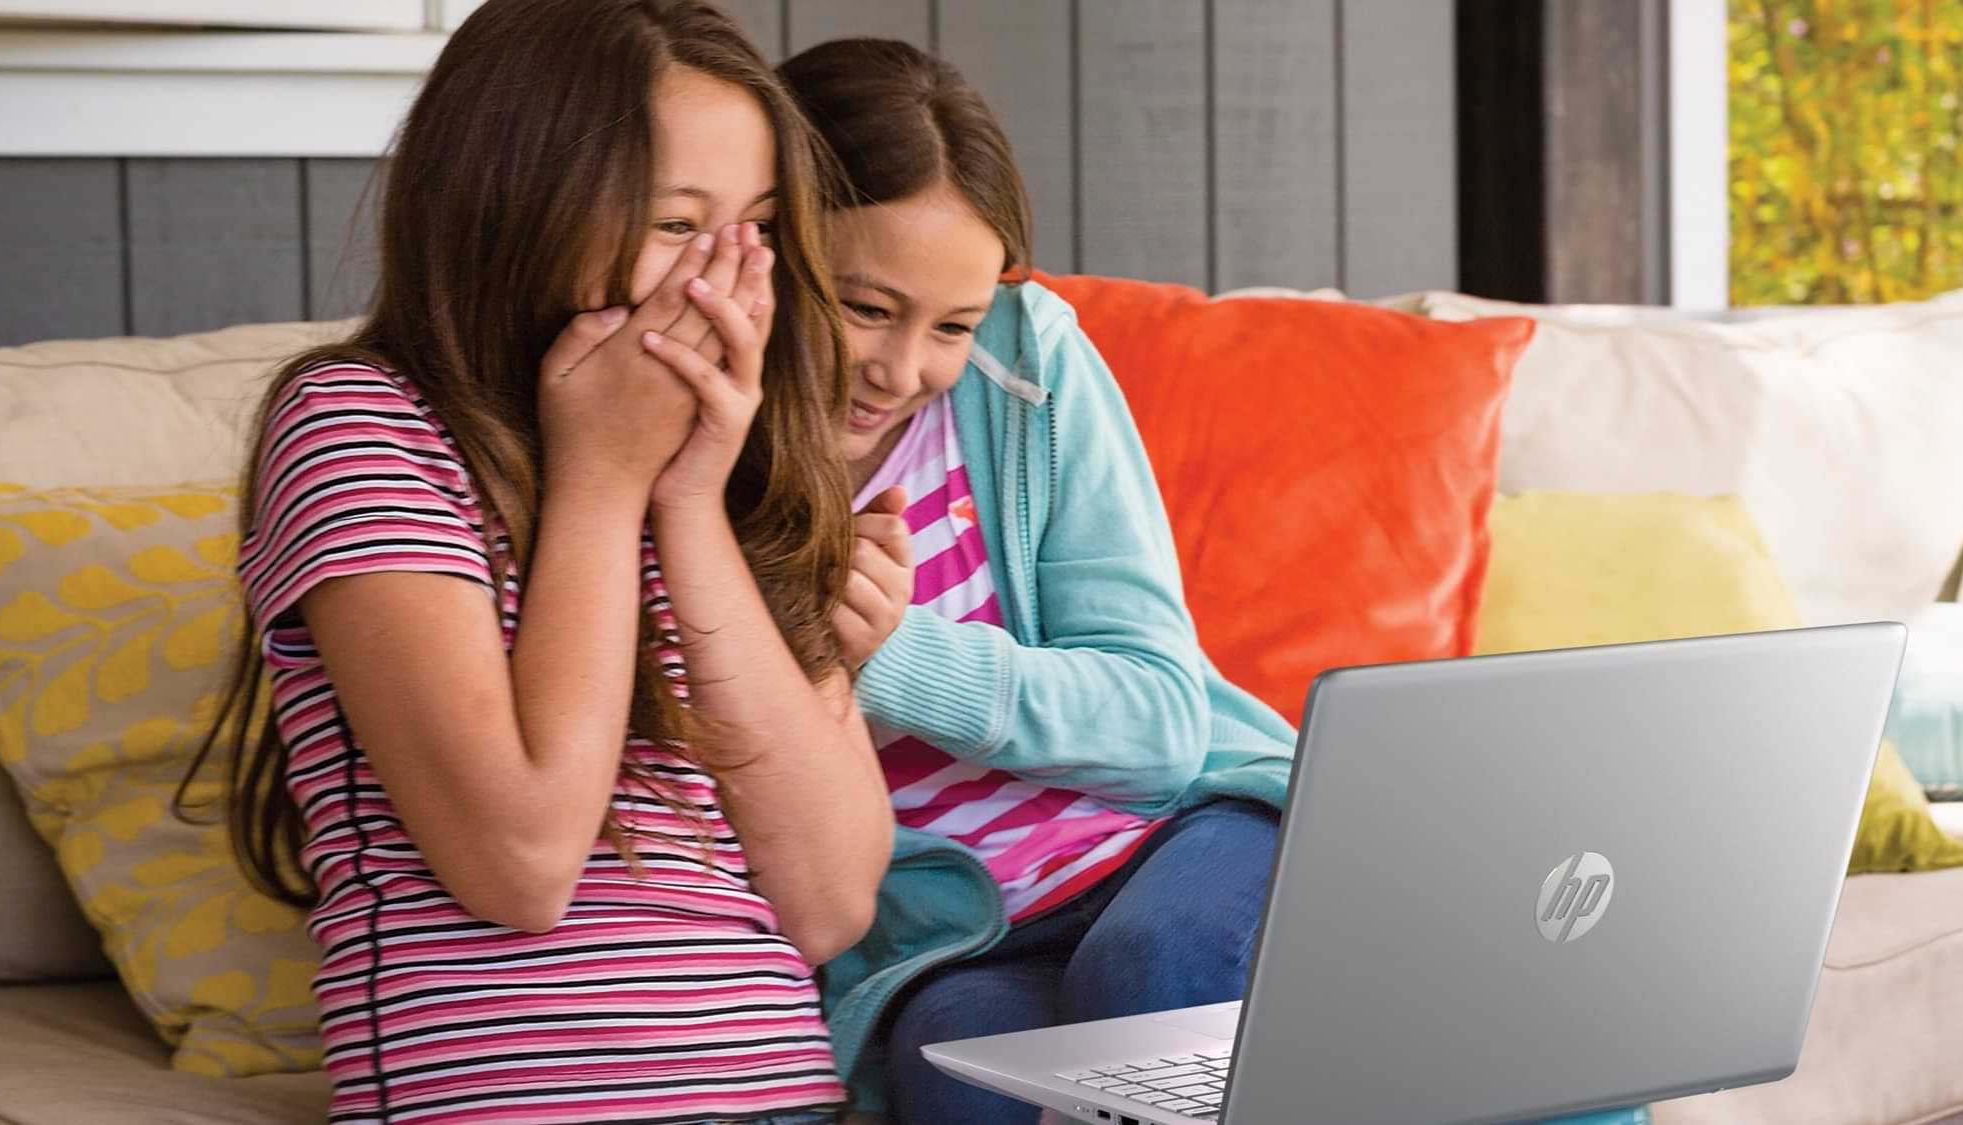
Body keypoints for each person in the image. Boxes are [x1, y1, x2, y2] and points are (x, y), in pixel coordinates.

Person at [178, 3, 892, 1121]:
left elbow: (830, 903)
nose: (722, 279)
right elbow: (521, 862)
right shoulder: (361, 426)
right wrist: (601, 483)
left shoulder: (728, 467)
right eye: (675, 224)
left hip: (781, 1092)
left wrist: (687, 501)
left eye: (755, 228)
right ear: (517, 201)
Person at [779, 38, 1294, 1124]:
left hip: (1179, 837)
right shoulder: (695, 451)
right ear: (774, 247)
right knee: (952, 1068)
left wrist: (896, 655)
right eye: (864, 307)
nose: (902, 370)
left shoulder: (1026, 363)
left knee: (1150, 968)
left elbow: (1158, 724)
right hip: (966, 930)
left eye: (950, 325)